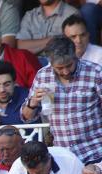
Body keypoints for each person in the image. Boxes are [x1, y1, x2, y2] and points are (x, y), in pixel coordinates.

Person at [23, 37, 102, 166]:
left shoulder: (95, 72)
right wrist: (33, 102)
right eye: (59, 68)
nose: (65, 71)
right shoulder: (43, 76)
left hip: (95, 152)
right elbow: (26, 117)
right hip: (63, 157)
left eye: (69, 65)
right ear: (50, 62)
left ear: (75, 55)